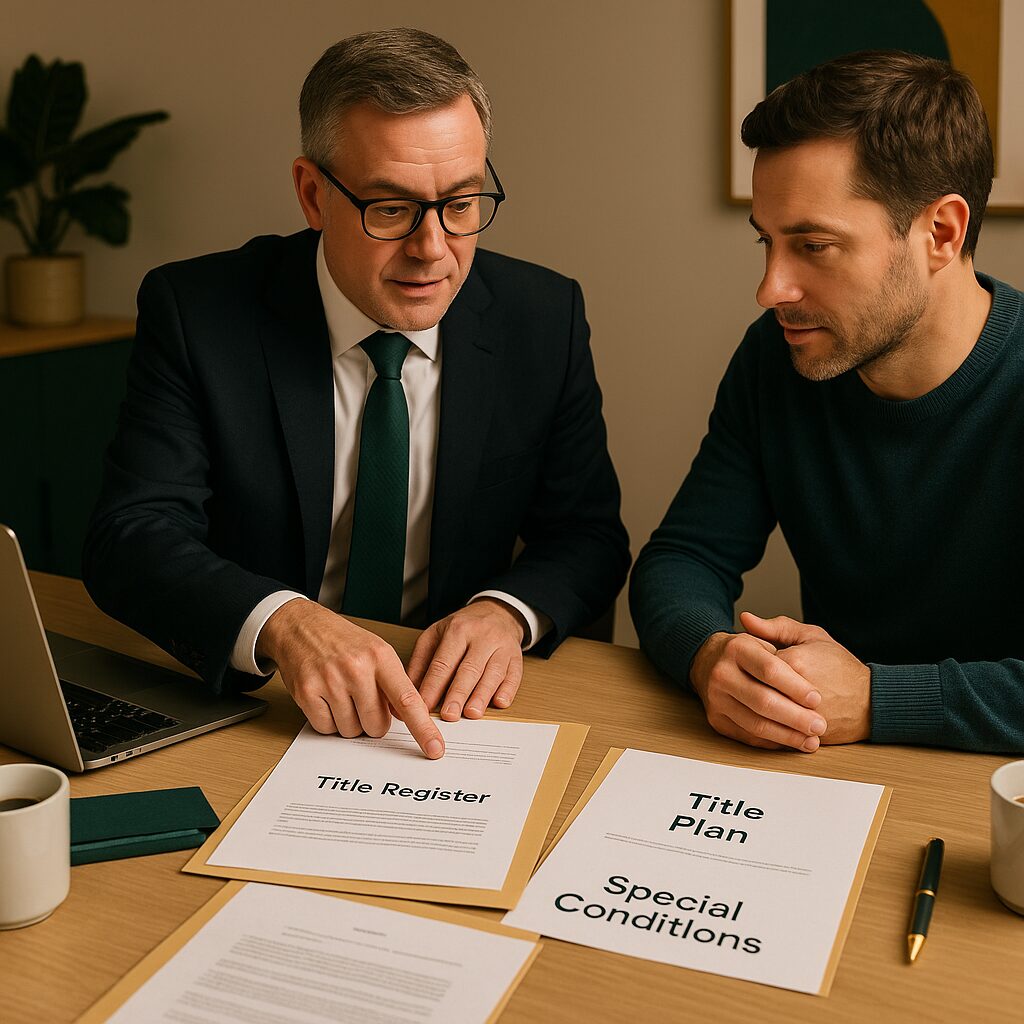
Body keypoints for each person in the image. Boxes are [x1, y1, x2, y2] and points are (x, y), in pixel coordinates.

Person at [84, 29, 629, 759]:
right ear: (313, 194)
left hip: (453, 720)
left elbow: (588, 537)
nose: (433, 248)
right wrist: (280, 621)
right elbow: (133, 536)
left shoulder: (543, 316)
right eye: (391, 209)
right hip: (261, 709)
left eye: (462, 203)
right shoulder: (198, 313)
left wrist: (505, 612)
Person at [630, 50, 1024, 755]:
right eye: (768, 242)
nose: (771, 289)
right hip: (825, 768)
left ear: (941, 232)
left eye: (813, 245)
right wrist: (710, 655)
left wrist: (878, 700)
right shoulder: (778, 357)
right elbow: (683, 558)